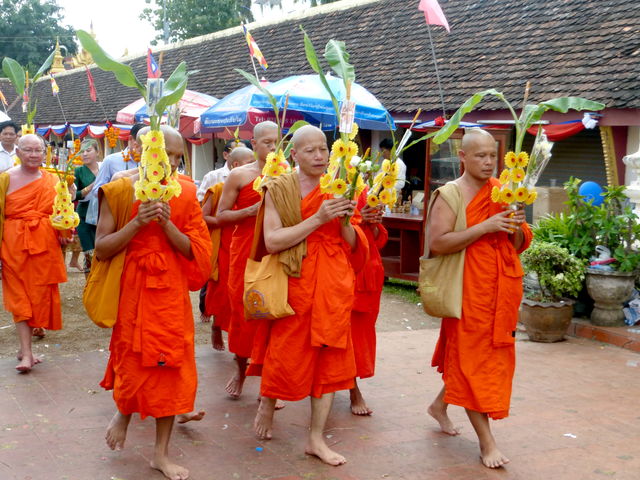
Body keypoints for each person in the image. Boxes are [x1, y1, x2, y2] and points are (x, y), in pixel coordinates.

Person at [95, 125, 211, 480]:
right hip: (134, 289)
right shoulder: (118, 191)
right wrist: (137, 223)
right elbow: (100, 248)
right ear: (140, 150)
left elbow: (199, 251)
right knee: (132, 359)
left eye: (178, 156)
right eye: (166, 154)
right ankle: (124, 411)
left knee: (171, 367)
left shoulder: (187, 192)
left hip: (171, 293)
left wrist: (166, 225)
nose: (172, 163)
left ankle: (160, 453)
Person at [249, 125, 368, 466]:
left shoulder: (342, 183)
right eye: (310, 150)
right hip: (295, 279)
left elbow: (353, 243)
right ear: (294, 155)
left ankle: (316, 438)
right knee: (284, 352)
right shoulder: (279, 188)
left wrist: (346, 222)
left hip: (333, 282)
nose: (319, 156)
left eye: (323, 149)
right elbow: (272, 241)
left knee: (330, 358)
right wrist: (318, 218)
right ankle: (268, 402)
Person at [426, 128, 532, 469]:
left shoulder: (503, 191)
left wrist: (514, 225)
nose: (488, 162)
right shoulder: (449, 195)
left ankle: (440, 406)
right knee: (472, 363)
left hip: (500, 293)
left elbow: (515, 245)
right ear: (462, 157)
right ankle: (487, 443)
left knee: (482, 361)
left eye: (492, 156)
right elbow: (438, 243)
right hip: (466, 291)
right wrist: (485, 227)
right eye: (480, 156)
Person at [215, 121, 276, 400]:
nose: (273, 148)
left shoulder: (287, 175)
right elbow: (221, 215)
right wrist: (252, 210)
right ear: (254, 144)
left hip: (275, 250)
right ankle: (240, 369)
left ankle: (268, 384)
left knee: (273, 313)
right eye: (267, 143)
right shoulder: (239, 175)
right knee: (242, 312)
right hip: (244, 249)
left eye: (277, 142)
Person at [0, 134, 69, 372]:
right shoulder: (5, 179)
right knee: (20, 299)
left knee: (38, 297)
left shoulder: (52, 179)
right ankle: (27, 354)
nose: (33, 154)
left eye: (37, 150)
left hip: (43, 246)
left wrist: (64, 231)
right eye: (27, 150)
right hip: (13, 246)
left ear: (44, 152)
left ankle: (24, 348)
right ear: (17, 152)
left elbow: (61, 211)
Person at [201, 146, 255, 351]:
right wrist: (228, 219)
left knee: (243, 291)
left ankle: (240, 339)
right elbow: (204, 217)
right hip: (225, 241)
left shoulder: (257, 183)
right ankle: (216, 325)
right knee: (223, 290)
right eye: (250, 162)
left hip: (246, 240)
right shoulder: (218, 185)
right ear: (236, 165)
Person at [349, 196, 388, 415]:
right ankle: (350, 387)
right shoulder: (328, 186)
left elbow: (376, 239)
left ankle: (351, 385)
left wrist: (371, 221)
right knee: (340, 332)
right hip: (340, 265)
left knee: (360, 333)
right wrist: (356, 219)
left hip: (367, 270)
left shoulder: (366, 190)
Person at [85, 123, 145, 219]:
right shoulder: (111, 161)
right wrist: (114, 189)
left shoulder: (149, 163)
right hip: (115, 216)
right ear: (130, 139)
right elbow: (96, 191)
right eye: (141, 142)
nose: (143, 147)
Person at [73, 139, 101, 274]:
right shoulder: (78, 171)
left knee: (101, 250)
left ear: (97, 152)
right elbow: (73, 195)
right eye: (81, 151)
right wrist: (89, 188)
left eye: (88, 150)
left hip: (102, 214)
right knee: (89, 252)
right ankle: (89, 285)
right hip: (84, 215)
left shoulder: (104, 167)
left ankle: (100, 285)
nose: (84, 154)